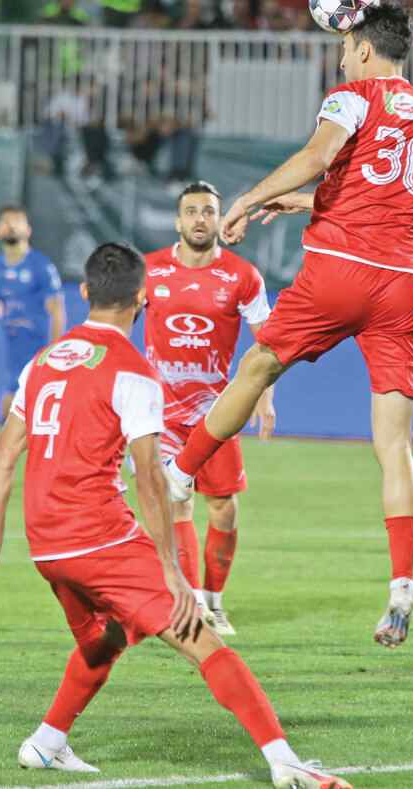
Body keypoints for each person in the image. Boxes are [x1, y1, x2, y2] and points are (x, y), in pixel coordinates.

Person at [0, 243, 350, 789]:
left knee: (107, 638)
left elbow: (2, 458)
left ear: (84, 292)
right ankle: (285, 761)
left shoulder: (41, 363)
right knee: (202, 639)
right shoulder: (133, 372)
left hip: (46, 546)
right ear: (143, 298)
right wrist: (172, 572)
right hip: (100, 540)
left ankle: (46, 742)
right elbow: (149, 480)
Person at [162, 3, 413, 649]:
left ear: (364, 49)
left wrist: (249, 198)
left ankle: (180, 472)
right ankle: (401, 590)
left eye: (345, 48)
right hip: (403, 283)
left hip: (341, 271)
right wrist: (313, 202)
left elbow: (320, 154)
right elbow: (385, 191)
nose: (341, 58)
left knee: (258, 366)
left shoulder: (353, 97)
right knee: (392, 443)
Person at [143, 182, 276, 636]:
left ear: (220, 220)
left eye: (208, 211)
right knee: (176, 504)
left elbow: (268, 341)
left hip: (216, 414)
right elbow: (117, 322)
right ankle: (193, 603)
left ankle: (215, 602)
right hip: (161, 414)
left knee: (223, 509)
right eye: (192, 211)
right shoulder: (150, 270)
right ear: (177, 221)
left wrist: (265, 395)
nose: (200, 219)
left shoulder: (242, 276)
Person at [0, 207, 66, 421]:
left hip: (39, 345)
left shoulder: (41, 266)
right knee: (14, 403)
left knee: (14, 403)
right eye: (5, 221)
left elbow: (57, 309)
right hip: (14, 343)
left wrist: (54, 349)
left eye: (17, 221)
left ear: (28, 230)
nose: (11, 226)